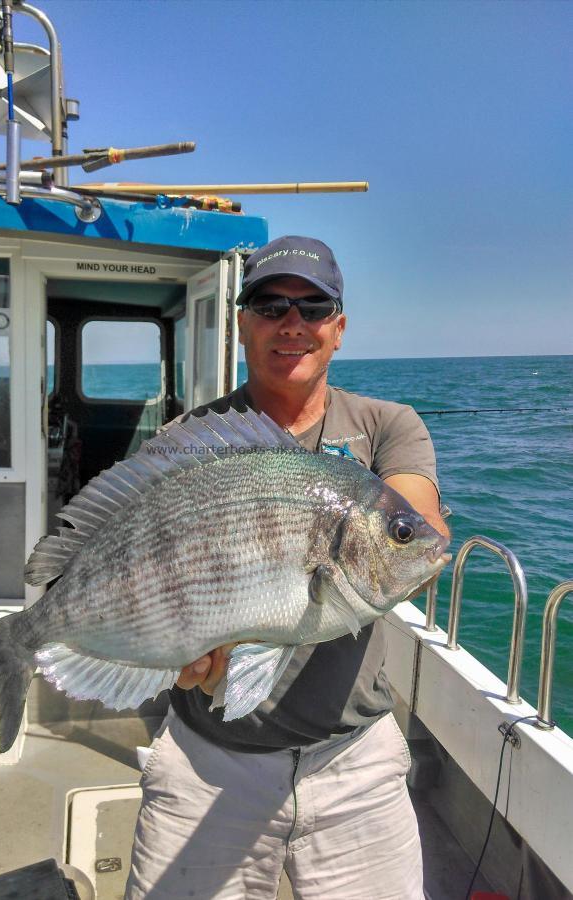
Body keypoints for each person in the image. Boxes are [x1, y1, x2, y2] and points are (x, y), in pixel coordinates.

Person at [125, 236, 450, 900]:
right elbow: (149, 571)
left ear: (339, 328)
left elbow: (418, 525)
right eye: (271, 306)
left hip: (355, 762)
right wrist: (165, 652)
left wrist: (392, 536)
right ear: (243, 324)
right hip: (205, 756)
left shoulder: (388, 425)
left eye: (313, 306)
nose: (292, 322)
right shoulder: (191, 439)